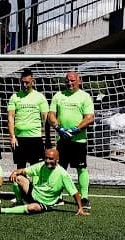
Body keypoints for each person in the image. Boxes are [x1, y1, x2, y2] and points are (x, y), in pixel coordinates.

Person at [0, 148, 87, 216]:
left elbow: (74, 192)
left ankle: (0, 210)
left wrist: (80, 208)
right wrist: (15, 172)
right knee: (17, 178)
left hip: (45, 203)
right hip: (33, 193)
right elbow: (24, 170)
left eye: (51, 159)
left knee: (32, 208)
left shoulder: (63, 174)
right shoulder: (41, 166)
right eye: (46, 158)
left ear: (57, 159)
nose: (47, 161)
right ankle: (19, 203)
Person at [48, 71, 95, 209]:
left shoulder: (85, 97)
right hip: (62, 140)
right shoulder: (58, 96)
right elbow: (51, 114)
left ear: (78, 81)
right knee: (59, 168)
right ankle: (58, 196)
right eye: (67, 81)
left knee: (81, 168)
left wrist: (74, 130)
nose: (70, 83)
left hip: (78, 141)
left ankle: (84, 197)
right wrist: (59, 128)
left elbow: (90, 118)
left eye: (72, 80)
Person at [8, 68, 49, 169]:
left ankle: (35, 185)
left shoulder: (40, 97)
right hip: (19, 139)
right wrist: (12, 136)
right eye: (22, 82)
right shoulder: (15, 97)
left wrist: (47, 139)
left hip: (35, 138)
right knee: (20, 168)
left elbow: (46, 119)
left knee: (36, 168)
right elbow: (10, 118)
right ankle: (20, 185)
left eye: (27, 82)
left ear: (33, 82)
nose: (24, 85)